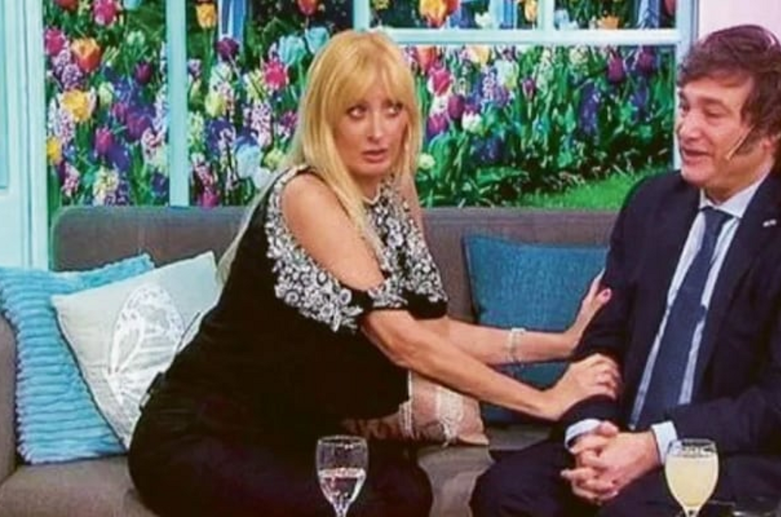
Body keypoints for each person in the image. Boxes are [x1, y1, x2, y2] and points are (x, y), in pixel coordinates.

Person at [128, 30, 619, 517]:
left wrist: (562, 344)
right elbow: (402, 342)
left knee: (405, 490)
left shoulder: (394, 193)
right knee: (370, 506)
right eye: (357, 112)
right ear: (325, 120)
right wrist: (544, 402)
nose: (378, 131)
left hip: (288, 435)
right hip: (201, 434)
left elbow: (433, 332)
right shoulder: (306, 195)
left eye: (393, 109)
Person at [471, 24, 781, 517]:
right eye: (685, 107)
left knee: (632, 512)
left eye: (712, 114)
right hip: (624, 438)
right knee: (505, 492)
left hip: (737, 461)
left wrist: (654, 446)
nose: (687, 129)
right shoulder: (653, 202)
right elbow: (603, 338)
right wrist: (591, 434)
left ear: (768, 133)